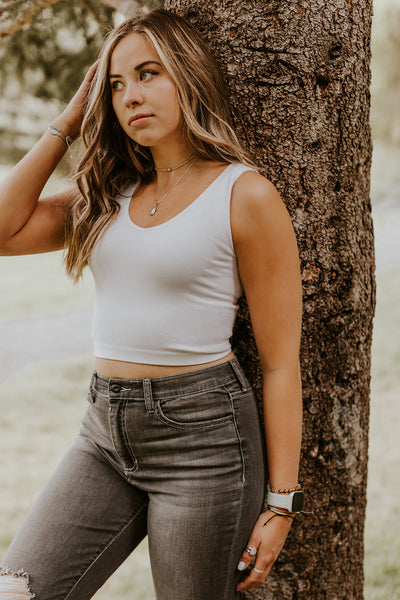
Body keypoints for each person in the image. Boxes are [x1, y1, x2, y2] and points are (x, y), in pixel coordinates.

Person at [0, 8, 303, 600]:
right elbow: (3, 231)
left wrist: (282, 504)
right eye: (115, 85)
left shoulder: (244, 194)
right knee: (19, 590)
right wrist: (67, 120)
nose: (130, 96)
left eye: (148, 74)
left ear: (187, 77)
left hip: (205, 440)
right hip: (104, 433)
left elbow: (280, 363)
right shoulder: (108, 194)